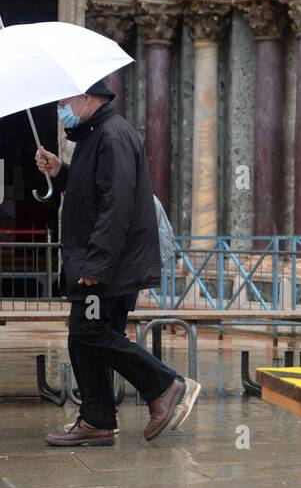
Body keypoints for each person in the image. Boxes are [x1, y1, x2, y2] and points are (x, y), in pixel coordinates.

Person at [34, 80, 200, 447]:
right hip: (105, 263)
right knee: (85, 337)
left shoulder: (112, 136)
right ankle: (97, 420)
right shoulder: (97, 136)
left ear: (89, 97)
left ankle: (165, 385)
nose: (61, 106)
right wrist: (61, 171)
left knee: (88, 331)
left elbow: (116, 205)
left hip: (108, 267)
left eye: (65, 99)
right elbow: (92, 191)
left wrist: (96, 265)